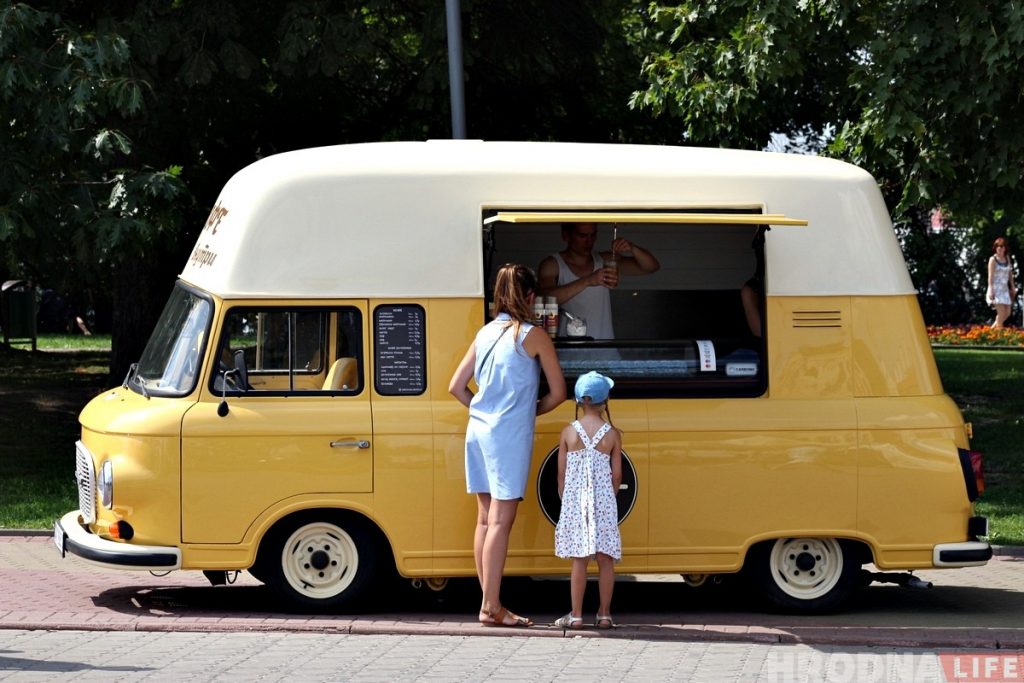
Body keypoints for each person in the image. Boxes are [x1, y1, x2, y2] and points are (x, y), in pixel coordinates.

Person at [448, 263, 567, 628]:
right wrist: (526, 413)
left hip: (478, 431)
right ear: (531, 296)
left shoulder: (484, 333)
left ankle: (489, 601)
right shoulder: (533, 336)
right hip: (508, 437)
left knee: (484, 519)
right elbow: (560, 393)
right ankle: (490, 607)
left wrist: (484, 412)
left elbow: (456, 386)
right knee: (502, 520)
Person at [553, 371, 622, 630]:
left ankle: (577, 614)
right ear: (606, 401)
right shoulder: (612, 435)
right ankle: (604, 614)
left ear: (579, 401)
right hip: (604, 500)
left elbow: (561, 474)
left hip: (575, 501)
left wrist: (566, 497)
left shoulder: (569, 432)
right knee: (606, 559)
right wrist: (609, 496)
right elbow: (617, 476)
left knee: (579, 559)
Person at [537, 222, 660, 339]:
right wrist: (588, 281)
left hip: (605, 352)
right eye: (582, 235)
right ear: (566, 235)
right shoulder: (553, 264)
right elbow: (546, 299)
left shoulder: (605, 260)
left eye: (593, 235)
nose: (589, 241)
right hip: (570, 352)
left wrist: (632, 247)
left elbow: (651, 267)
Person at [986, 237, 1017, 329]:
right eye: (997, 246)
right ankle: (999, 336)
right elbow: (990, 276)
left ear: (1005, 248)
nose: (999, 248)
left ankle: (991, 332)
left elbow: (1010, 274)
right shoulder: (993, 259)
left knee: (1007, 313)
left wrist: (1012, 287)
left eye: (1001, 246)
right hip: (995, 290)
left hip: (1004, 290)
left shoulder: (1007, 258)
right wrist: (991, 289)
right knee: (1001, 313)